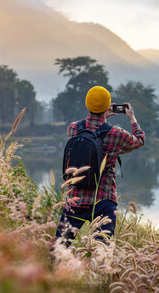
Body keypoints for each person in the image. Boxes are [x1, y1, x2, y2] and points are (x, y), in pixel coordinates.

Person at [55, 85, 144, 246]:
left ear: (87, 104)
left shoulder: (73, 128)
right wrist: (132, 118)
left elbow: (91, 131)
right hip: (104, 199)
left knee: (59, 247)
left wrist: (101, 117)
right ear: (107, 106)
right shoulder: (116, 134)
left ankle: (54, 271)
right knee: (101, 252)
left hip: (75, 198)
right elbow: (139, 140)